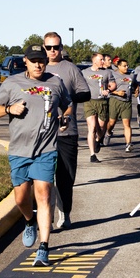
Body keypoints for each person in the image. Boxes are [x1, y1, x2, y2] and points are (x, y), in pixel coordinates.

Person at [0, 45, 72, 266]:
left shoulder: (55, 82)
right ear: (25, 61)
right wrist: (9, 109)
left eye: (41, 60)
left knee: (43, 195)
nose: (38, 64)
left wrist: (65, 118)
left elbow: (68, 105)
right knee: (21, 199)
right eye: (33, 60)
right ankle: (29, 220)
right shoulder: (13, 83)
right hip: (19, 150)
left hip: (46, 149)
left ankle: (43, 248)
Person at [43, 32, 91, 229]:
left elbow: (85, 93)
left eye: (56, 47)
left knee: (65, 176)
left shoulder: (70, 69)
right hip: (42, 132)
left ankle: (65, 213)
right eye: (49, 47)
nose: (53, 51)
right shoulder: (37, 68)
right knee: (43, 177)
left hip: (66, 131)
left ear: (61, 47)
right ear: (44, 47)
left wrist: (68, 97)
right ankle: (46, 216)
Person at [81, 53, 115, 162]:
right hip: (89, 102)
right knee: (91, 127)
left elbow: (113, 84)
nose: (103, 61)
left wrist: (108, 90)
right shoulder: (85, 73)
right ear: (94, 61)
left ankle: (99, 139)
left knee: (100, 127)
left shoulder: (107, 72)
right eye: (101, 60)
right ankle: (92, 155)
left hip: (102, 102)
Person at [106, 59, 137, 153]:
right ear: (118, 66)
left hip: (127, 102)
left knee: (127, 124)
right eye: (124, 66)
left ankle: (128, 144)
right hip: (115, 100)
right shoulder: (113, 75)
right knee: (112, 122)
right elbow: (107, 88)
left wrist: (136, 90)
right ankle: (108, 133)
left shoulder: (131, 76)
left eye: (127, 65)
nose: (126, 67)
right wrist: (117, 92)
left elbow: (135, 85)